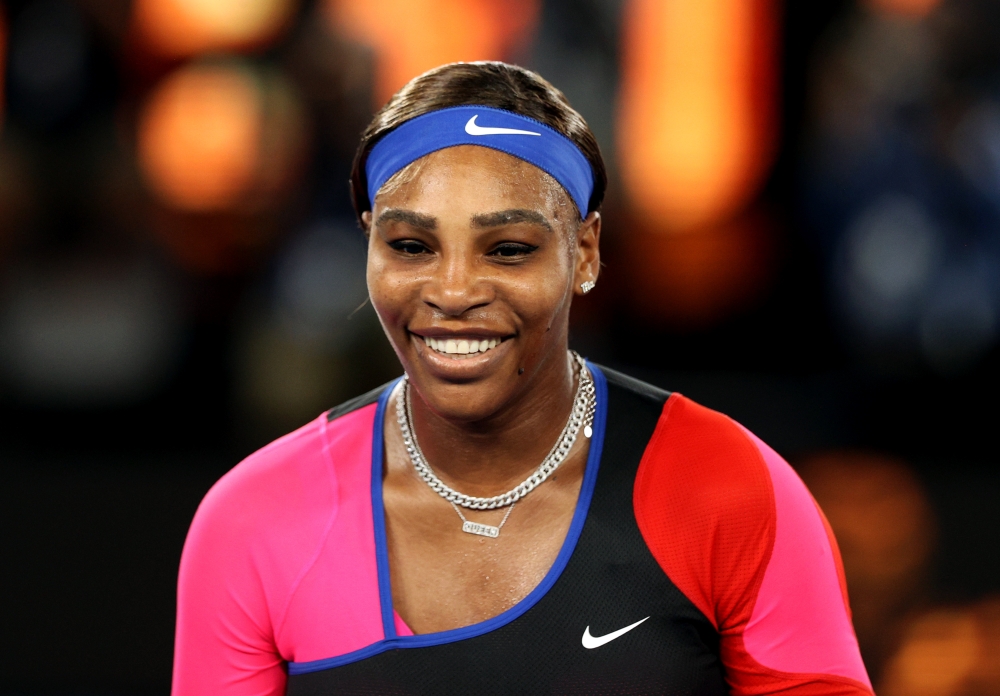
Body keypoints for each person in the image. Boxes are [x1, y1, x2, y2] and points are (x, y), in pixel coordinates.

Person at [172, 62, 873, 695]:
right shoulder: (252, 521)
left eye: (508, 249)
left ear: (586, 252)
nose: (452, 290)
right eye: (410, 245)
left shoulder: (729, 488)